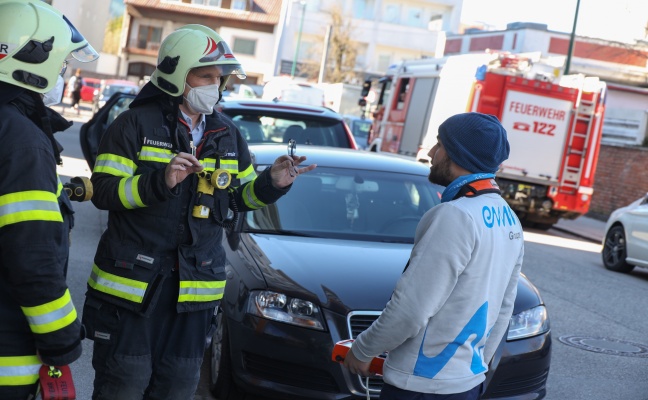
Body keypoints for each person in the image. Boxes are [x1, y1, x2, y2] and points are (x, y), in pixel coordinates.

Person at [82, 24, 316, 399]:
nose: (216, 84)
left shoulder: (228, 134)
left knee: (176, 389)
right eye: (205, 75)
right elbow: (105, 192)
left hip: (194, 295)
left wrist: (273, 183)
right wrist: (161, 181)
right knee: (121, 386)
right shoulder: (133, 124)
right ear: (177, 74)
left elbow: (239, 201)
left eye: (219, 77)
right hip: (131, 291)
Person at [343, 112, 524, 400]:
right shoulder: (508, 217)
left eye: (439, 144)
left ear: (458, 154)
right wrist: (476, 365)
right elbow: (504, 308)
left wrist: (363, 349)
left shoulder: (454, 215)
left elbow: (411, 309)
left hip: (421, 385)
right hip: (466, 381)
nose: (430, 152)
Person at [0, 1, 99, 399]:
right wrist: (61, 339)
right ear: (32, 58)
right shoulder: (21, 140)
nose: (64, 74)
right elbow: (33, 256)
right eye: (60, 63)